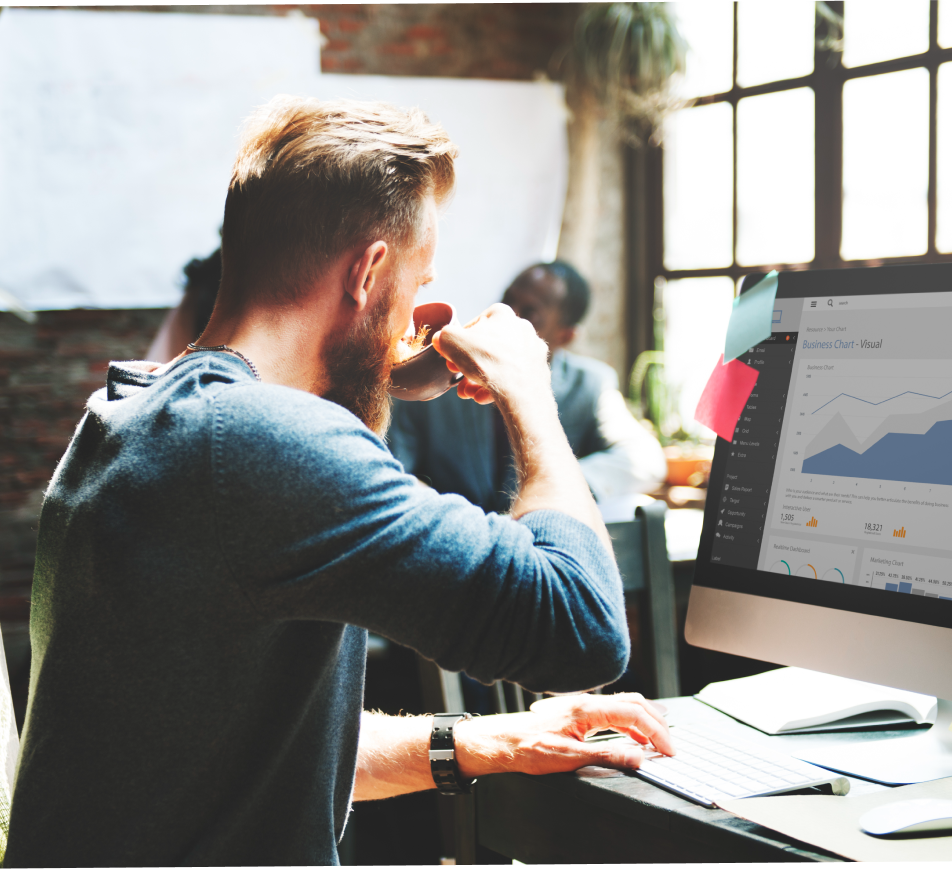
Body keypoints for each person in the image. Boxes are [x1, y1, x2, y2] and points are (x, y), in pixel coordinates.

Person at [4, 97, 672, 868]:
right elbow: (582, 624)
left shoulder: (133, 416)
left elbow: (257, 759)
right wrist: (527, 387)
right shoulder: (261, 441)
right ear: (368, 271)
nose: (417, 313)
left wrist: (491, 740)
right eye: (417, 281)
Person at [389, 261, 668, 515]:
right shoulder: (440, 376)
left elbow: (644, 459)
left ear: (565, 335)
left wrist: (552, 489)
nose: (509, 316)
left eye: (531, 312)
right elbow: (393, 471)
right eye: (508, 300)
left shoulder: (590, 385)